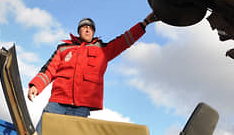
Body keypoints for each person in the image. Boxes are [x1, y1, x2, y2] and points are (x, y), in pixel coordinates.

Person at [28, 14, 158, 118]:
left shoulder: (103, 49)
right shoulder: (63, 48)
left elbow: (124, 40)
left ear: (93, 32)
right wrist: (36, 85)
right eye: (84, 27)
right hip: (57, 103)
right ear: (79, 31)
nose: (87, 29)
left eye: (90, 27)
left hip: (81, 108)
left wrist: (145, 23)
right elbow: (49, 70)